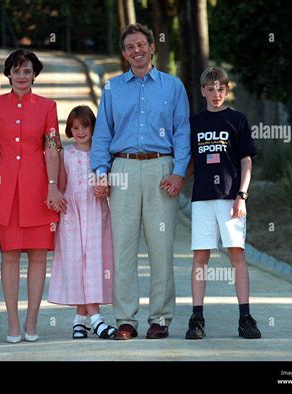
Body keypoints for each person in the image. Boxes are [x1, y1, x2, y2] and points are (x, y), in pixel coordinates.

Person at [91, 23, 191, 340]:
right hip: (122, 169)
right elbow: (102, 134)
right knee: (123, 248)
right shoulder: (112, 89)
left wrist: (179, 171)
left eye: (141, 45)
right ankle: (125, 319)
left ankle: (160, 318)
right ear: (124, 53)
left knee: (161, 248)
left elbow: (183, 132)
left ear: (152, 47)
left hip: (161, 169)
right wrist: (100, 172)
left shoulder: (173, 87)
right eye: (130, 47)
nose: (136, 50)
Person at [0, 49, 66, 343]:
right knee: (11, 256)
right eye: (16, 71)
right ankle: (13, 322)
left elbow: (53, 146)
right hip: (5, 191)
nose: (22, 76)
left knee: (39, 257)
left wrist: (53, 185)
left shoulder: (47, 107)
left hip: (38, 188)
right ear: (8, 74)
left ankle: (32, 321)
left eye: (27, 71)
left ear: (34, 75)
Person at [185, 66, 261, 340]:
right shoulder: (194, 123)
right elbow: (190, 162)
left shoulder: (237, 120)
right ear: (202, 91)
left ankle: (245, 317)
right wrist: (175, 179)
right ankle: (197, 317)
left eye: (221, 89)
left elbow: (246, 161)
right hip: (202, 198)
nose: (216, 94)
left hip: (231, 198)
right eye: (210, 89)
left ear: (227, 90)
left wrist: (242, 195)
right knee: (200, 257)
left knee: (237, 255)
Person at [48, 106, 117, 339]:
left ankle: (81, 320)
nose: (80, 131)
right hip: (72, 215)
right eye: (75, 127)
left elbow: (109, 184)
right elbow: (62, 185)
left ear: (93, 127)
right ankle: (95, 319)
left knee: (94, 265)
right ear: (69, 130)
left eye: (85, 126)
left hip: (96, 211)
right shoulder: (65, 154)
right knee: (77, 265)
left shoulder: (102, 154)